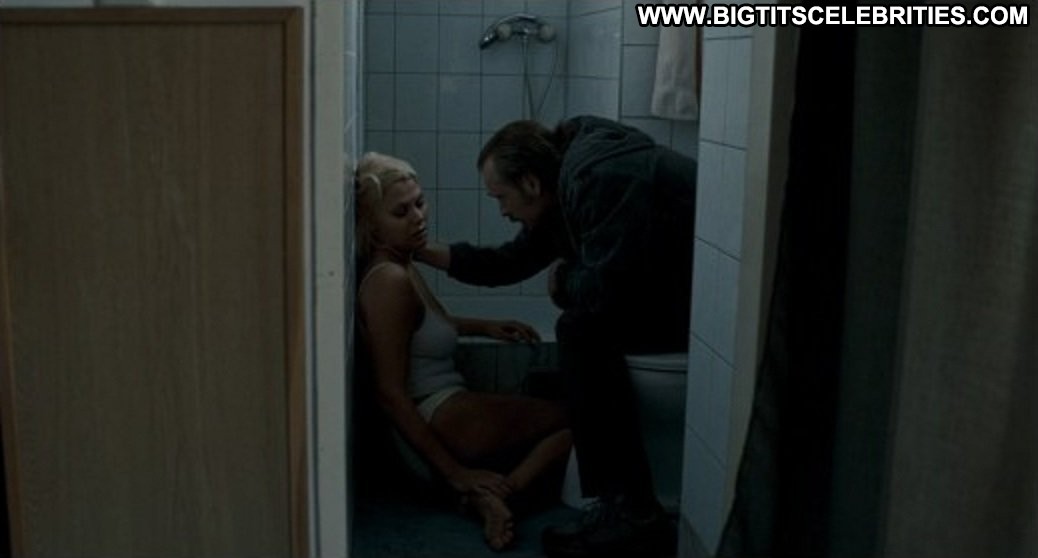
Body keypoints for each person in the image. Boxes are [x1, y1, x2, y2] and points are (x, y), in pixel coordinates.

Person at [416, 115, 697, 558]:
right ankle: (621, 502)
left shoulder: (600, 178)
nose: (502, 211)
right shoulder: (564, 185)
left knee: (581, 329)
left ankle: (633, 512)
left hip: (707, 310)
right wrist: (423, 252)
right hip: (680, 290)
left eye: (501, 197)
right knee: (582, 329)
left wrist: (564, 279)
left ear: (530, 183)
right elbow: (509, 262)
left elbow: (606, 291)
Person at [353, 152, 573, 551]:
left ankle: (487, 497)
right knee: (581, 419)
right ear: (370, 223)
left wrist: (483, 326)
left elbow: (422, 328)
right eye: (401, 212)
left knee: (570, 418)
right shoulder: (389, 282)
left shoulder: (401, 263)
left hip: (447, 412)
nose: (418, 217)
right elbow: (390, 393)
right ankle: (499, 495)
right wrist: (456, 473)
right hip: (441, 418)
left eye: (420, 202)